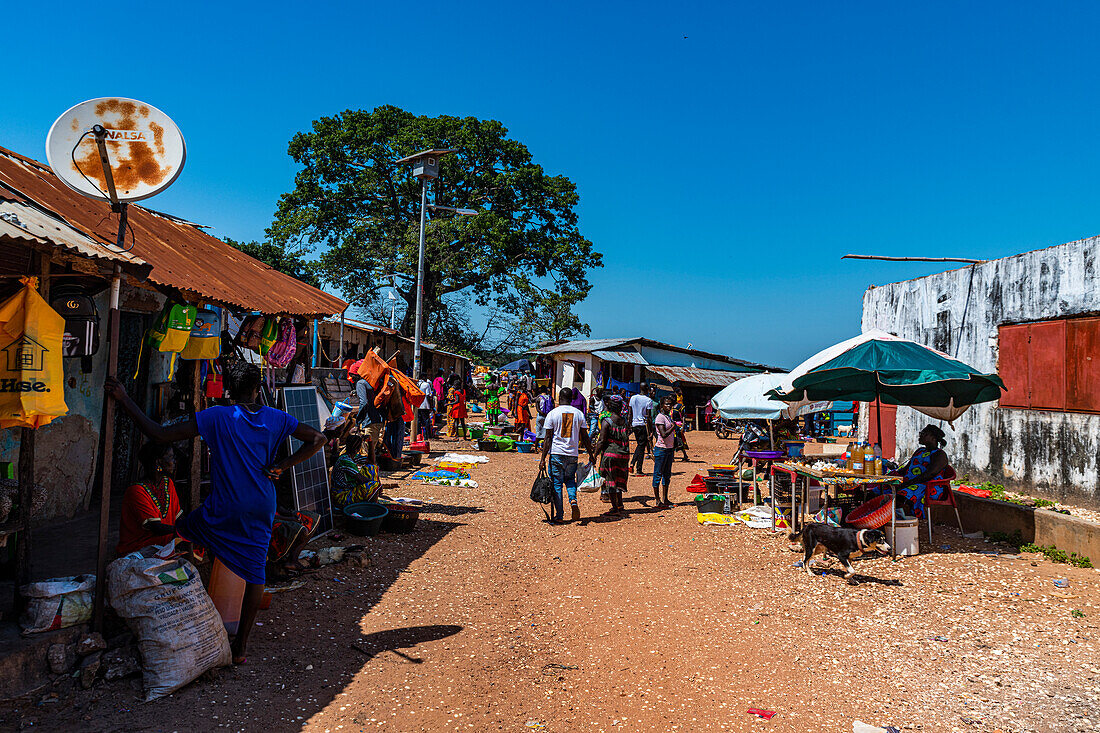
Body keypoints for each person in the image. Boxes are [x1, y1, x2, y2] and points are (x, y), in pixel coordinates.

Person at [105, 362, 326, 665]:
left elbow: (158, 434)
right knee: (255, 572)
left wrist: (124, 398)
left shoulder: (218, 416)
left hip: (223, 508)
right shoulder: (277, 418)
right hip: (262, 504)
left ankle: (164, 592)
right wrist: (281, 466)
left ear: (228, 391)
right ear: (257, 389)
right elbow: (319, 439)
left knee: (182, 530)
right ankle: (241, 649)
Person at [116, 442, 183, 556]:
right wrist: (185, 530)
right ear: (158, 462)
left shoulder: (168, 483)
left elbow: (178, 517)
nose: (174, 462)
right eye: (171, 457)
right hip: (140, 551)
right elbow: (155, 527)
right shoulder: (136, 491)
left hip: (162, 547)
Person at [539, 387, 594, 523]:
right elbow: (585, 437)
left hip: (557, 453)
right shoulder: (579, 414)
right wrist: (591, 454)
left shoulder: (552, 413)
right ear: (571, 399)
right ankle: (573, 500)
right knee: (570, 480)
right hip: (572, 454)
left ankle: (560, 515)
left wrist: (542, 459)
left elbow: (547, 438)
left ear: (559, 398)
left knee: (557, 483)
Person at [872, 424, 950, 519]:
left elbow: (929, 474)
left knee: (901, 495)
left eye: (924, 434)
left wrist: (906, 484)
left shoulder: (940, 455)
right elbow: (906, 469)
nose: (920, 435)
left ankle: (897, 521)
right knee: (880, 489)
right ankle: (880, 518)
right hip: (911, 482)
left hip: (928, 486)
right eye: (921, 433)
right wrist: (891, 477)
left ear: (933, 438)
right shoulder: (920, 451)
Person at [592, 394, 631, 515]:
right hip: (623, 454)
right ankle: (620, 504)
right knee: (619, 479)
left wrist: (594, 455)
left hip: (610, 454)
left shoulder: (607, 421)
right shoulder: (624, 421)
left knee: (610, 480)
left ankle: (614, 508)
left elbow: (601, 441)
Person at [330, 434, 383, 508]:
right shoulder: (345, 460)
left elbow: (371, 462)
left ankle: (372, 498)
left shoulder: (352, 457)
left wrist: (370, 442)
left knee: (371, 468)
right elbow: (362, 479)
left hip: (350, 489)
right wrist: (377, 486)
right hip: (341, 496)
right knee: (373, 486)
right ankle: (371, 508)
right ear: (357, 449)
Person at [651, 396, 677, 508]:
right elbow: (663, 434)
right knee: (658, 475)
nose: (669, 406)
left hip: (669, 449)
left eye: (670, 404)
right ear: (661, 405)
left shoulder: (668, 417)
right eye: (667, 404)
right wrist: (673, 427)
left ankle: (665, 499)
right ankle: (658, 500)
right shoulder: (660, 418)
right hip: (661, 449)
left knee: (667, 475)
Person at [351, 370, 384, 453]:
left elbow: (364, 403)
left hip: (370, 421)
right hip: (380, 420)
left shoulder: (361, 383)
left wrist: (357, 423)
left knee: (368, 452)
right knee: (374, 449)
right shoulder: (376, 382)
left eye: (352, 376)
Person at [628, 384, 654, 476]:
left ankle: (633, 465)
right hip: (643, 425)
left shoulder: (633, 398)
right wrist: (651, 431)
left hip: (634, 425)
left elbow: (630, 413)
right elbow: (649, 416)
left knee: (640, 445)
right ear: (647, 389)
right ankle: (637, 468)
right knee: (641, 446)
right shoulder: (648, 400)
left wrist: (629, 425)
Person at [534, 384, 553, 449]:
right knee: (547, 434)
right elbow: (552, 407)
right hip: (548, 417)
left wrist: (542, 413)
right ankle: (546, 448)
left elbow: (537, 409)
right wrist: (547, 414)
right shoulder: (550, 398)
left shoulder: (539, 398)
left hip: (540, 416)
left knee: (538, 433)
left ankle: (536, 448)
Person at [417, 374, 434, 440]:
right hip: (425, 405)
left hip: (417, 405)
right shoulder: (426, 385)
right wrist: (431, 406)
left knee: (418, 420)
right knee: (426, 420)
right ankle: (427, 435)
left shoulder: (417, 384)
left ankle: (418, 435)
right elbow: (428, 396)